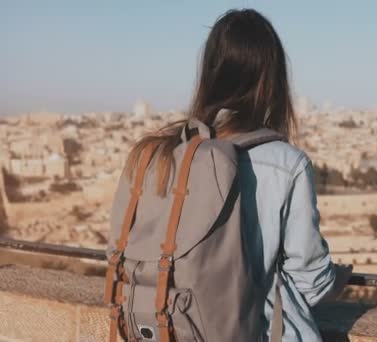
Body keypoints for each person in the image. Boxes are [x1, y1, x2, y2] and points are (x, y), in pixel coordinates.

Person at [120, 8, 352, 342]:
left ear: (210, 73)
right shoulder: (285, 163)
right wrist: (333, 280)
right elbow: (310, 282)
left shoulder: (165, 155)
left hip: (167, 326)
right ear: (271, 80)